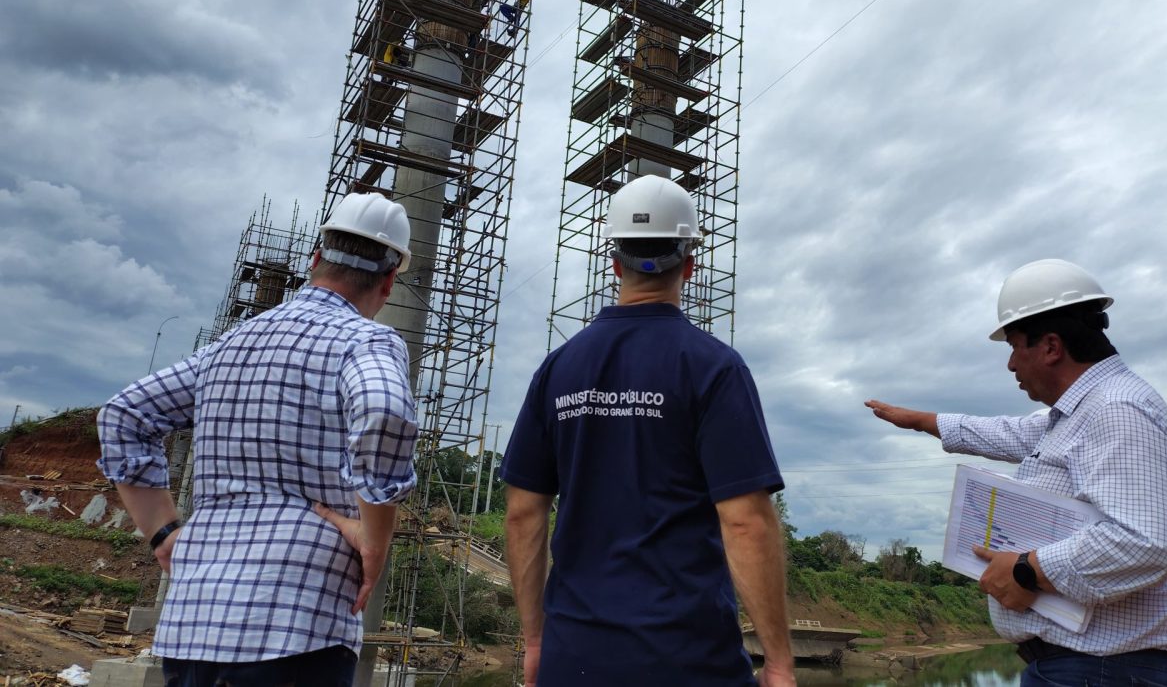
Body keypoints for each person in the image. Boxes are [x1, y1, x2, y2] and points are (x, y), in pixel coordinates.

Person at [97, 193, 420, 687]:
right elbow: (385, 411)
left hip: (194, 622)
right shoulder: (367, 341)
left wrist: (162, 532)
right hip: (299, 622)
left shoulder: (231, 345)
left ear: (315, 259)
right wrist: (375, 537)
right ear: (390, 280)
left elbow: (124, 414)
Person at [500, 174, 794, 686]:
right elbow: (745, 522)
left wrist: (534, 642)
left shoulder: (557, 370)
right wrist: (780, 661)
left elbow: (524, 514)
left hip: (574, 657)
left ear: (615, 264)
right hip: (688, 660)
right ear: (691, 267)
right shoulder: (714, 369)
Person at [866, 259, 1167, 687]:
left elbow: (1143, 542)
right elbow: (1012, 432)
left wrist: (1027, 570)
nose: (1010, 365)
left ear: (1051, 347)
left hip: (1108, 671)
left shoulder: (1117, 412)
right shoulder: (1081, 413)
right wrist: (924, 421)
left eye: (1014, 345)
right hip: (1090, 669)